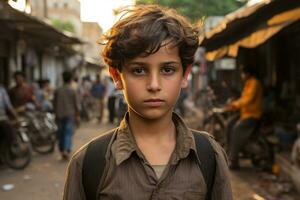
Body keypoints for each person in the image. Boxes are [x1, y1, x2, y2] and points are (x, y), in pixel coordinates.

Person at [63, 5, 232, 200]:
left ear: (184, 75)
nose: (154, 85)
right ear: (117, 76)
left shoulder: (209, 155)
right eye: (139, 70)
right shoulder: (90, 163)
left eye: (167, 70)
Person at [226, 65, 263, 169]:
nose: (242, 75)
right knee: (229, 123)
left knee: (236, 129)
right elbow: (243, 98)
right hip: (244, 113)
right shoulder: (247, 84)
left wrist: (235, 105)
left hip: (253, 115)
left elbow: (247, 100)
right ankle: (230, 153)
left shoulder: (254, 83)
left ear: (248, 74)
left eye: (243, 73)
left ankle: (234, 160)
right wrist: (233, 104)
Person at [53, 71, 80, 160]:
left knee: (61, 134)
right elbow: (76, 105)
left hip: (59, 115)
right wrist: (77, 116)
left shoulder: (58, 90)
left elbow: (54, 103)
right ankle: (66, 150)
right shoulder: (72, 90)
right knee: (68, 133)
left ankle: (62, 151)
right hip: (70, 115)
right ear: (70, 79)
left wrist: (55, 114)